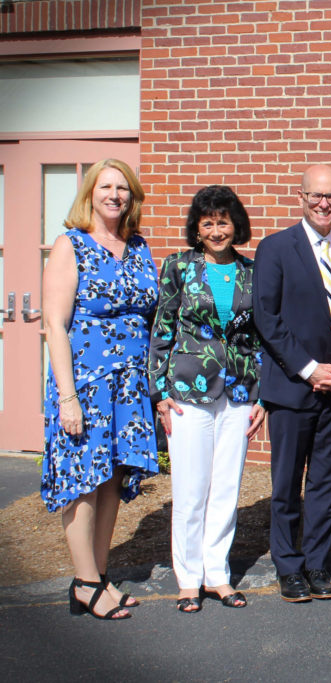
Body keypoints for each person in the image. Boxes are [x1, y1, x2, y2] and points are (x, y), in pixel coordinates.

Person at [41, 159, 160, 620]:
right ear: (90, 193)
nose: (115, 194)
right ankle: (85, 583)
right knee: (82, 481)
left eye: (123, 188)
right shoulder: (70, 244)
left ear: (132, 197)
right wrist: (67, 396)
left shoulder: (137, 246)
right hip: (86, 383)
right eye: (106, 186)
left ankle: (100, 575)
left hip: (129, 384)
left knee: (112, 479)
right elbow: (54, 323)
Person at [149, 185, 265, 613]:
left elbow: (259, 339)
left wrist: (262, 396)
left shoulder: (253, 272)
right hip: (186, 392)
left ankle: (218, 575)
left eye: (224, 221)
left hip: (238, 392)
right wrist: (159, 392)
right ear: (197, 229)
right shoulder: (178, 266)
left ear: (237, 226)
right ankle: (188, 579)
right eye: (208, 222)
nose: (217, 230)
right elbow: (161, 330)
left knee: (226, 488)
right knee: (191, 488)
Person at [253, 165, 331, 603]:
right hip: (291, 389)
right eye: (316, 196)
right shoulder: (276, 248)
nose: (324, 204)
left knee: (325, 482)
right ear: (300, 196)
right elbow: (268, 318)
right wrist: (310, 369)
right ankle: (288, 566)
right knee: (286, 485)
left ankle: (317, 564)